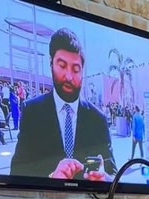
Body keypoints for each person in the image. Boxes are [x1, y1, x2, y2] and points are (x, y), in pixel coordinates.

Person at [10, 28, 117, 180]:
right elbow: (17, 173)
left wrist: (103, 178)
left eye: (75, 69)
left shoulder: (98, 119)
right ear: (51, 64)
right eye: (62, 65)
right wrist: (52, 178)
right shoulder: (32, 112)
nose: (68, 76)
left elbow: (113, 174)